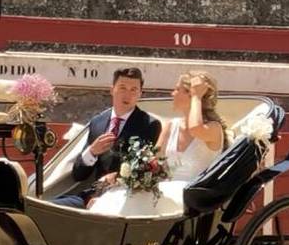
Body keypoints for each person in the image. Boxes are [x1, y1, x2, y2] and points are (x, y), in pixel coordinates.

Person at [88, 72, 227, 216]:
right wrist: (120, 179)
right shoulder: (170, 126)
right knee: (115, 200)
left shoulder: (213, 129)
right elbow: (152, 165)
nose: (172, 93)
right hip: (163, 191)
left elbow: (195, 128)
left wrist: (197, 96)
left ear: (190, 95)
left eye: (177, 89)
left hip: (192, 199)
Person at [52, 67, 162, 208]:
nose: (127, 95)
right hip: (92, 193)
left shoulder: (149, 124)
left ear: (140, 94)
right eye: (122, 88)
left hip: (125, 198)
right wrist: (92, 152)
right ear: (112, 90)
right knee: (49, 208)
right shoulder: (98, 122)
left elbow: (143, 170)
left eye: (133, 90)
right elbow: (79, 175)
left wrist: (107, 196)